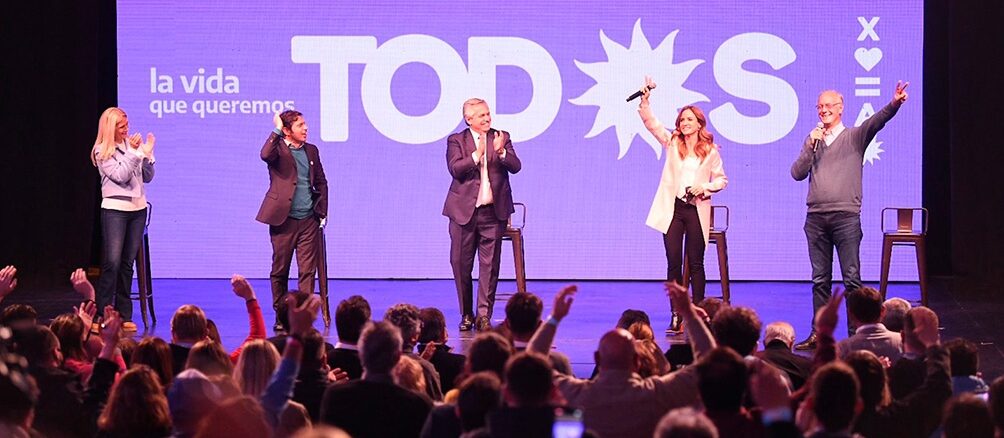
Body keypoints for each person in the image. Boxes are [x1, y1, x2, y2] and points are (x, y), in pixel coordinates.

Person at [790, 81, 910, 349]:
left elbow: (877, 121)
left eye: (828, 105)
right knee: (820, 280)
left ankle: (857, 334)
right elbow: (797, 173)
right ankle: (819, 335)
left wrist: (894, 103)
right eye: (819, 106)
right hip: (816, 219)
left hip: (846, 218)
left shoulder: (855, 136)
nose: (823, 110)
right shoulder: (813, 140)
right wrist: (810, 145)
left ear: (840, 108)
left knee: (852, 279)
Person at [637, 76, 728, 333]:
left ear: (699, 124)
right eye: (682, 120)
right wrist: (645, 102)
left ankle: (698, 313)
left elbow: (722, 180)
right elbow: (653, 125)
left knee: (696, 263)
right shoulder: (673, 144)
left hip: (696, 209)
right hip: (674, 209)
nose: (684, 123)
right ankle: (676, 313)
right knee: (673, 262)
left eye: (689, 119)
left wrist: (705, 187)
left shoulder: (710, 151)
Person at [443, 98, 521, 332]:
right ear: (469, 119)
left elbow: (516, 166)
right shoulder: (457, 140)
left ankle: (484, 316)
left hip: (493, 213)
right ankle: (466, 314)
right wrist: (477, 155)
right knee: (460, 264)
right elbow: (455, 169)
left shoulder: (501, 137)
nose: (487, 118)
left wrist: (501, 152)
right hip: (463, 214)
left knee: (489, 266)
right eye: (481, 115)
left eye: (488, 114)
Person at [256, 110, 329, 333]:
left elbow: (321, 182)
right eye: (300, 125)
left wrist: (322, 211)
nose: (305, 128)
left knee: (307, 272)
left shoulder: (312, 150)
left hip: (308, 220)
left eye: (305, 124)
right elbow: (264, 154)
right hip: (283, 220)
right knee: (280, 270)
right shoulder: (277, 149)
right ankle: (281, 316)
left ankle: (303, 317)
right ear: (288, 130)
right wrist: (277, 129)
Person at [91, 107, 155, 332]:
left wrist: (148, 156)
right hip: (115, 210)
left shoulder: (131, 146)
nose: (126, 129)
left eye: (127, 125)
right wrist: (135, 154)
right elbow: (120, 175)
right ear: (110, 128)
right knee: (113, 263)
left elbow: (147, 177)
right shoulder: (102, 151)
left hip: (138, 209)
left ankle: (124, 314)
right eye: (121, 126)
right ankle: (102, 313)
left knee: (127, 264)